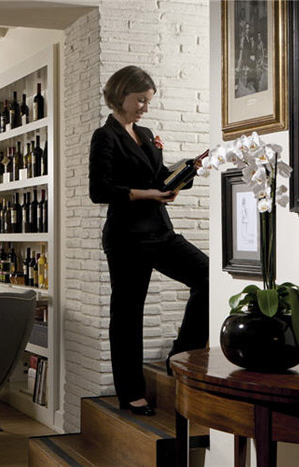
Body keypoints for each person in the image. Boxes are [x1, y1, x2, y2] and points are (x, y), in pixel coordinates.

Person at [88, 66, 209, 416]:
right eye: (140, 100)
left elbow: (158, 178)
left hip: (159, 231)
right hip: (126, 238)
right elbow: (100, 190)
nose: (145, 107)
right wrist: (146, 194)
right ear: (120, 95)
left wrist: (185, 172)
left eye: (148, 101)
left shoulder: (145, 133)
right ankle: (131, 394)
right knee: (128, 315)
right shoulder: (105, 136)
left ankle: (179, 356)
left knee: (207, 276)